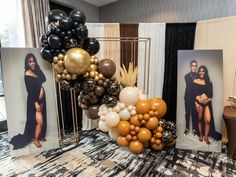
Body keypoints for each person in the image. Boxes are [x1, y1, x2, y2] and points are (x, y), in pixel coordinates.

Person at [10, 53, 47, 149]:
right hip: (34, 100)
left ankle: (40, 136)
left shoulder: (36, 71)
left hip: (42, 99)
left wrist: (37, 68)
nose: (32, 63)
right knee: (40, 121)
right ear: (27, 63)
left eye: (34, 61)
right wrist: (35, 103)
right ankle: (35, 140)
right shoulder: (27, 74)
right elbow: (29, 91)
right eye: (30, 62)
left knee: (42, 117)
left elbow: (44, 79)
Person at [192, 65, 221, 145]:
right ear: (198, 72)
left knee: (208, 120)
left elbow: (211, 96)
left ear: (205, 72)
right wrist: (196, 101)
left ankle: (206, 136)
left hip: (207, 103)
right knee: (200, 119)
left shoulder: (209, 82)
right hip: (199, 103)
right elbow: (193, 94)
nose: (201, 72)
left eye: (203, 71)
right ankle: (201, 135)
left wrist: (208, 99)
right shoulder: (195, 81)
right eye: (200, 71)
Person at [184, 60, 198, 136]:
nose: (194, 67)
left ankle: (194, 129)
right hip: (187, 96)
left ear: (196, 67)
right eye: (192, 65)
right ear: (190, 66)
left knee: (194, 114)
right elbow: (190, 85)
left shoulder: (199, 75)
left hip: (195, 98)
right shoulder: (186, 76)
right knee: (187, 113)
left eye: (195, 66)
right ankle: (187, 129)